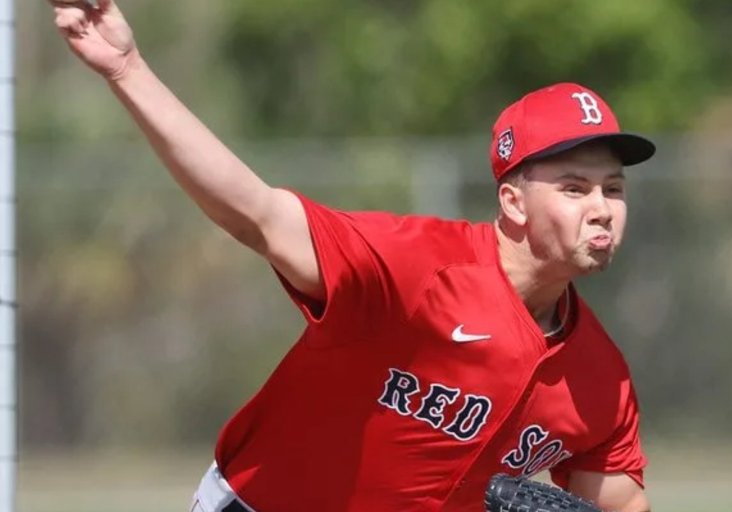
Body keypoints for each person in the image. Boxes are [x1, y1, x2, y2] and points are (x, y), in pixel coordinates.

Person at [50, 1, 657, 511]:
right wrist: (127, 69)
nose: (601, 207)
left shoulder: (601, 377)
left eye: (613, 189)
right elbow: (255, 214)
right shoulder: (415, 268)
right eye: (574, 188)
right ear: (513, 203)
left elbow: (622, 499)